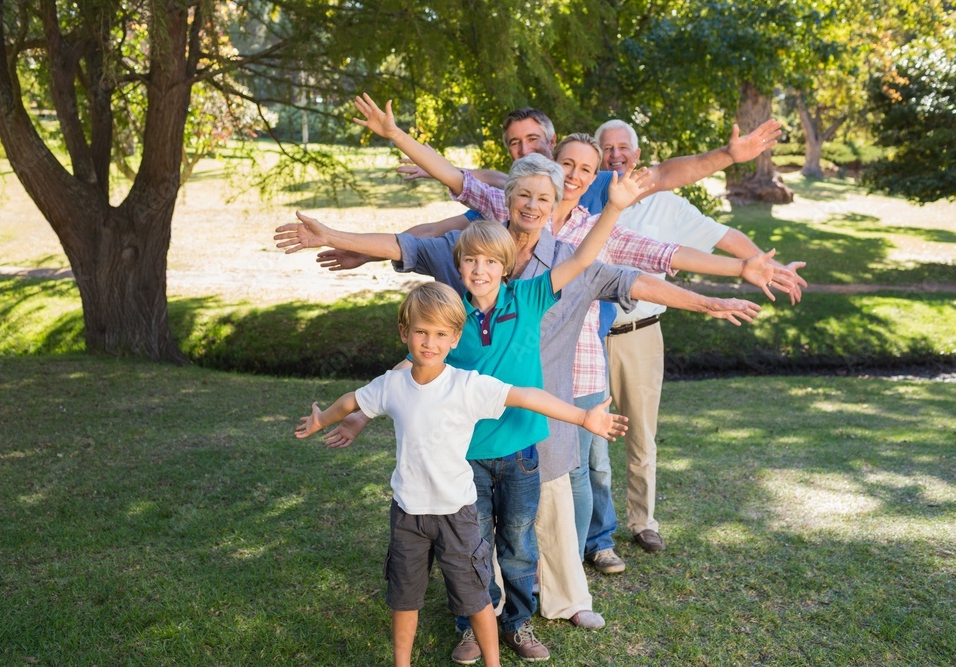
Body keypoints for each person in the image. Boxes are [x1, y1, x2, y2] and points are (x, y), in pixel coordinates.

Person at [275, 96, 764, 661]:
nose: (533, 205)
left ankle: (524, 616)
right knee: (471, 542)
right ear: (506, 204)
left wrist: (711, 297)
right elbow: (409, 242)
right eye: (524, 195)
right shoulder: (473, 249)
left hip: (526, 431)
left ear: (562, 202)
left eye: (547, 196)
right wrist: (335, 234)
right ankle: (471, 623)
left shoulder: (545, 278)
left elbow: (643, 270)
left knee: (522, 536)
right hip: (462, 442)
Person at [296, 281, 627, 667]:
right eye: (420, 331)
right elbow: (353, 399)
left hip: (457, 514)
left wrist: (583, 416)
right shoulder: (392, 385)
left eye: (440, 334)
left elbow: (525, 396)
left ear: (455, 338)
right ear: (405, 333)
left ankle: (493, 661)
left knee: (475, 597)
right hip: (407, 514)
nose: (429, 342)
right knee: (404, 597)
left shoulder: (465, 386)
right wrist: (322, 419)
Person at [577, 118, 807, 566]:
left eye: (625, 147)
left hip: (640, 335)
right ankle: (595, 536)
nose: (617, 155)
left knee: (642, 434)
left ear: (638, 156)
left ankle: (644, 522)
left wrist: (762, 263)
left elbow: (724, 237)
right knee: (590, 442)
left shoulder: (667, 204)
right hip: (588, 336)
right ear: (598, 157)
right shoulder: (583, 198)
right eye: (608, 148)